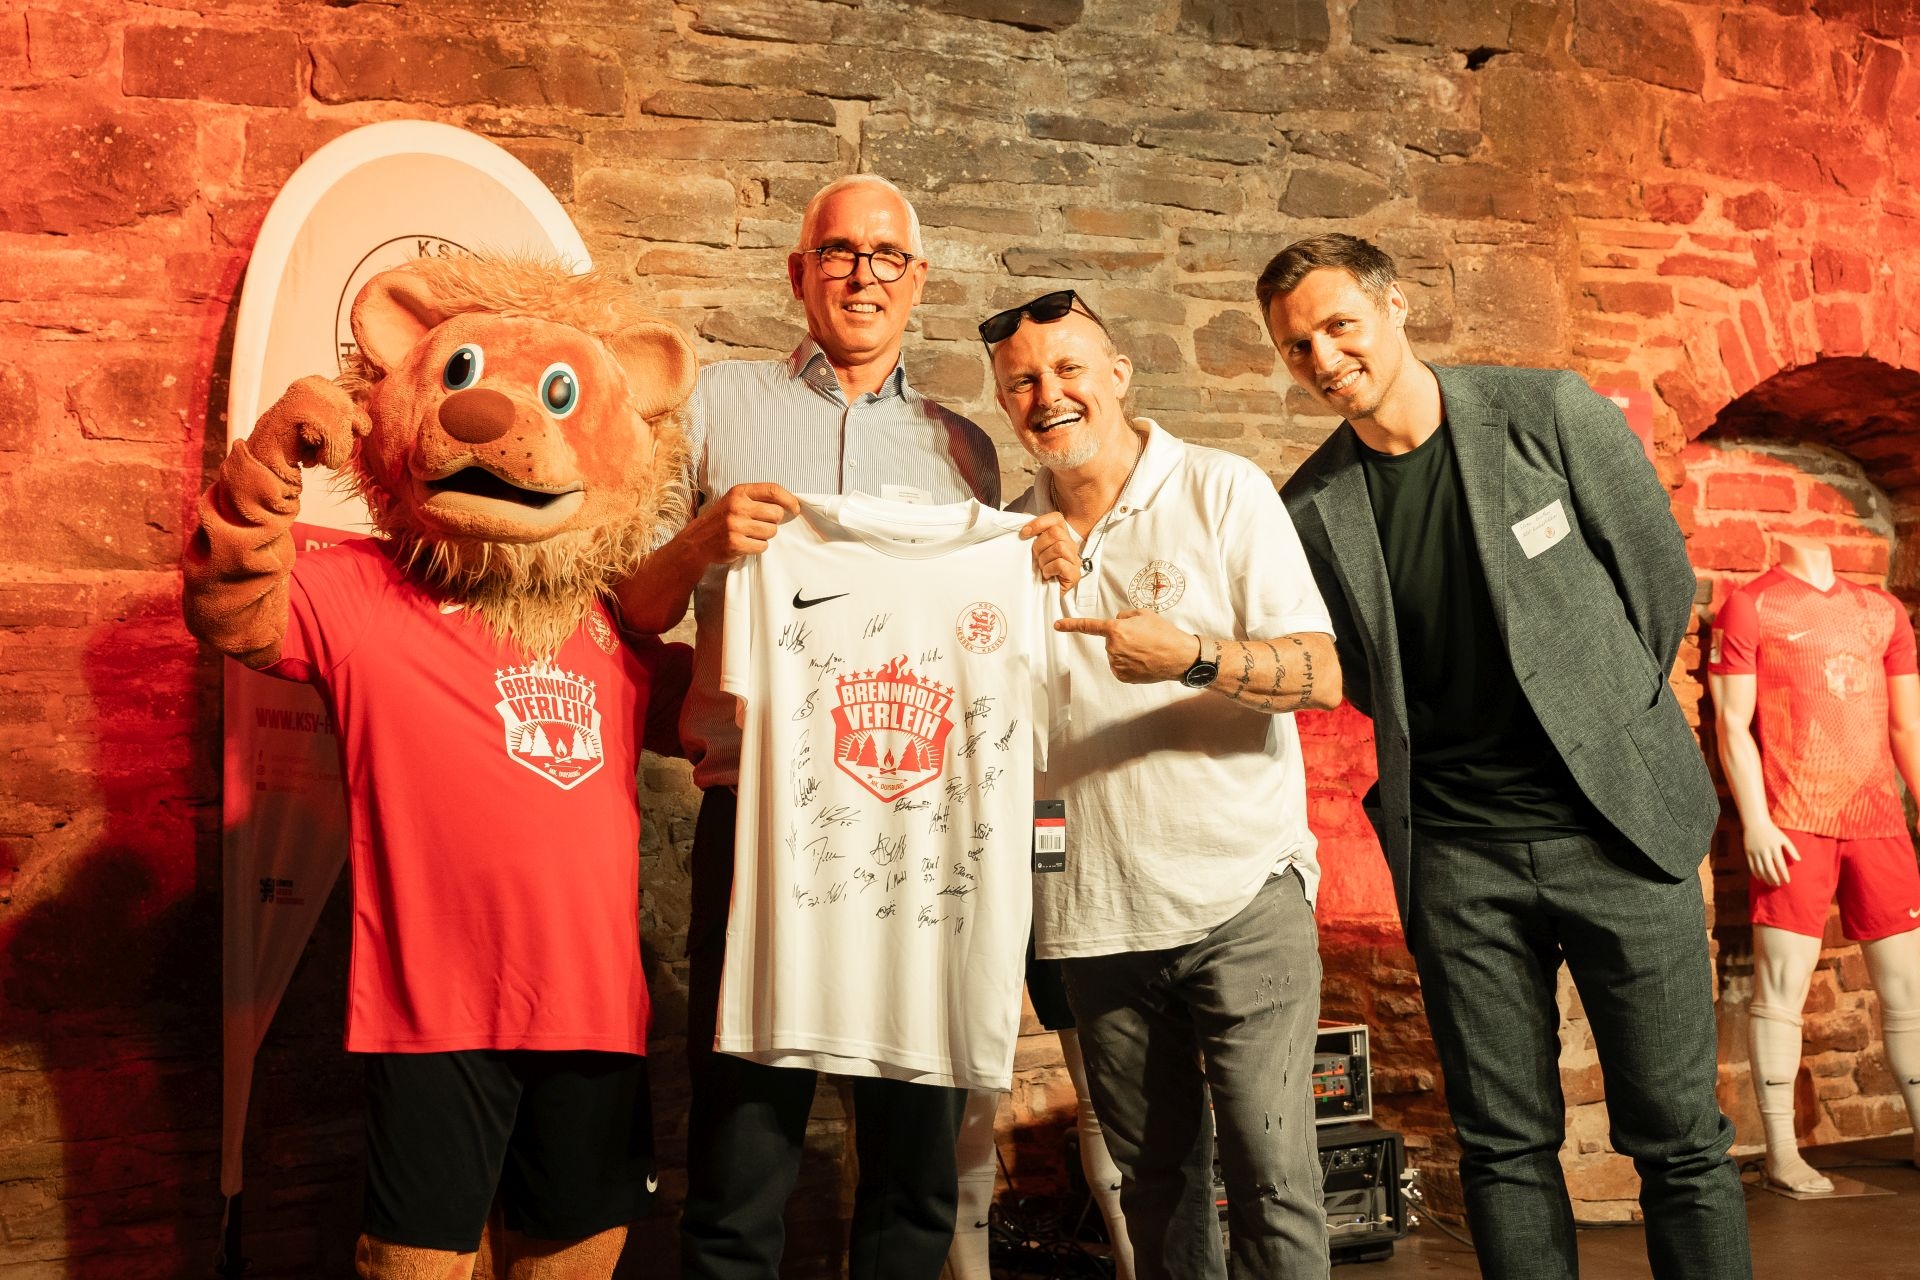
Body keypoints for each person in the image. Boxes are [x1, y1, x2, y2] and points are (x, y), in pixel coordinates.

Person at [1265, 233, 1751, 1280]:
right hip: (1459, 858)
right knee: (1502, 1147)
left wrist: (1598, 723)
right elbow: (1362, 671)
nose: (1324, 357)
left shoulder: (1546, 412)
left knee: (1679, 1142)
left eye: (1340, 325)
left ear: (1396, 307)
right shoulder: (1310, 505)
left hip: (1618, 830)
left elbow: (1656, 580)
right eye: (1298, 346)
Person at [615, 174, 1072, 1280]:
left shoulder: (963, 448)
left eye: (886, 256)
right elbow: (630, 605)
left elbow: (985, 633)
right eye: (838, 252)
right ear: (799, 273)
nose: (863, 275)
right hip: (756, 819)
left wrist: (1040, 560)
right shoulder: (715, 406)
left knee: (913, 1162)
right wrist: (703, 540)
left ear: (917, 279)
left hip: (920, 831)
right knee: (741, 1151)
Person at [986, 287, 1340, 1280]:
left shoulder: (1222, 490)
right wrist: (1010, 578)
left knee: (1275, 1181)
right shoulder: (1004, 539)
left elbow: (1322, 673)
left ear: (1119, 375)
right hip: (1096, 919)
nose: (1048, 395)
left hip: (1242, 897)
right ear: (1004, 403)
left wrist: (1193, 657)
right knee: (1154, 1192)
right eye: (1022, 382)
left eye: (1068, 369)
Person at [1710, 533, 1920, 1191]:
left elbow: (1907, 726)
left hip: (1880, 821)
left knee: (1910, 990)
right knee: (1781, 989)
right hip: (1794, 823)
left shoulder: (1882, 611)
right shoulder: (1751, 605)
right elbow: (1730, 723)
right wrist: (1757, 821)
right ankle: (1782, 1153)